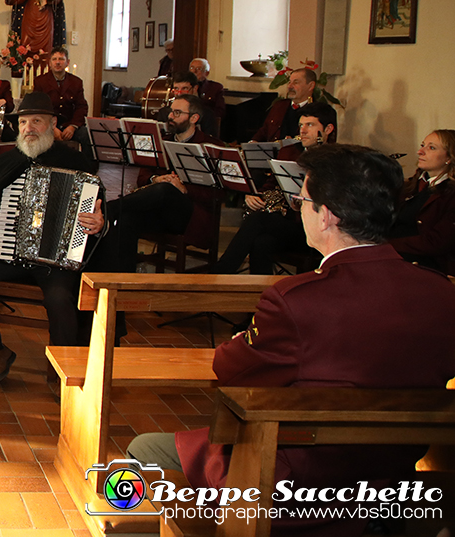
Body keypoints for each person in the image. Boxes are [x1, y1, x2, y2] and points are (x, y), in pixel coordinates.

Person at [128, 144, 455, 537]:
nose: (300, 208)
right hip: (392, 486)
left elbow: (230, 370)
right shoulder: (441, 294)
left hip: (294, 491)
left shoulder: (297, 299)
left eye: (303, 199)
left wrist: (245, 341)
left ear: (327, 215)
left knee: (146, 449)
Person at [0, 92, 106, 386]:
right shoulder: (7, 161)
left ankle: (63, 372)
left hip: (54, 260)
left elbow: (98, 206)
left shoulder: (75, 160)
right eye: (23, 122)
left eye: (36, 121)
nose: (29, 128)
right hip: (9, 249)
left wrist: (99, 221)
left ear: (52, 124)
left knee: (59, 298)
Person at [205, 103, 336, 275]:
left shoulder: (336, 159)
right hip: (288, 222)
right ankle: (260, 291)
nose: (302, 130)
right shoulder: (289, 152)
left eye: (310, 125)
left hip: (315, 229)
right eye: (301, 125)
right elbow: (272, 183)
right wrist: (255, 195)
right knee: (261, 242)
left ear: (328, 129)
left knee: (258, 221)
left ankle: (219, 273)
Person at [106, 94, 222, 271]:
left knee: (166, 190)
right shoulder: (162, 141)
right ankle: (124, 278)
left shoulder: (210, 147)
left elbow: (218, 194)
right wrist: (156, 179)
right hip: (159, 212)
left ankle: (109, 208)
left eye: (177, 113)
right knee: (126, 220)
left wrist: (183, 188)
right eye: (170, 111)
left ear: (194, 118)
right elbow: (142, 177)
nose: (170, 116)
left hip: (190, 215)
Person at [389, 129, 455, 273]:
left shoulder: (451, 196)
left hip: (428, 267)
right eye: (422, 145)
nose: (420, 152)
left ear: (449, 157)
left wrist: (385, 245)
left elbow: (436, 242)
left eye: (431, 148)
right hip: (394, 259)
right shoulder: (409, 186)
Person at [33, 47, 89, 151]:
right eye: (54, 59)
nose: (58, 62)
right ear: (50, 63)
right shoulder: (40, 81)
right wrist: (52, 128)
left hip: (69, 124)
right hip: (47, 125)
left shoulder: (76, 82)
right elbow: (38, 107)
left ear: (67, 62)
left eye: (61, 59)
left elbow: (81, 107)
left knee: (85, 134)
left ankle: (87, 166)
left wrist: (73, 126)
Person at [253, 67, 318, 141]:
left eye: (296, 82)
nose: (289, 86)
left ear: (311, 86)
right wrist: (253, 142)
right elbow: (264, 131)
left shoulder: (318, 111)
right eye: (289, 82)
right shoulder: (279, 106)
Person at [189, 57, 226, 137]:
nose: (194, 72)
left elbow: (220, 111)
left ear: (206, 73)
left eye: (198, 69)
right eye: (192, 68)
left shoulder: (215, 88)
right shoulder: (184, 86)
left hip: (206, 124)